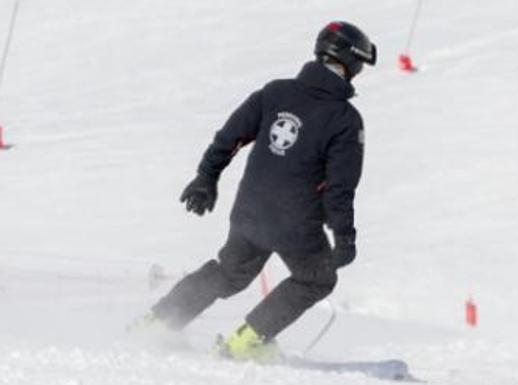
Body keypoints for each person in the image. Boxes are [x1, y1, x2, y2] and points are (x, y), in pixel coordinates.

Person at [140, 21, 376, 362]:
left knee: (229, 273)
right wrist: (345, 238)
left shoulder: (275, 92)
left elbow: (229, 138)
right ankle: (246, 341)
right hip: (296, 221)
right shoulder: (345, 119)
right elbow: (340, 189)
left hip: (250, 210)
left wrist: (206, 178)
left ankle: (158, 323)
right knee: (317, 279)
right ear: (350, 63)